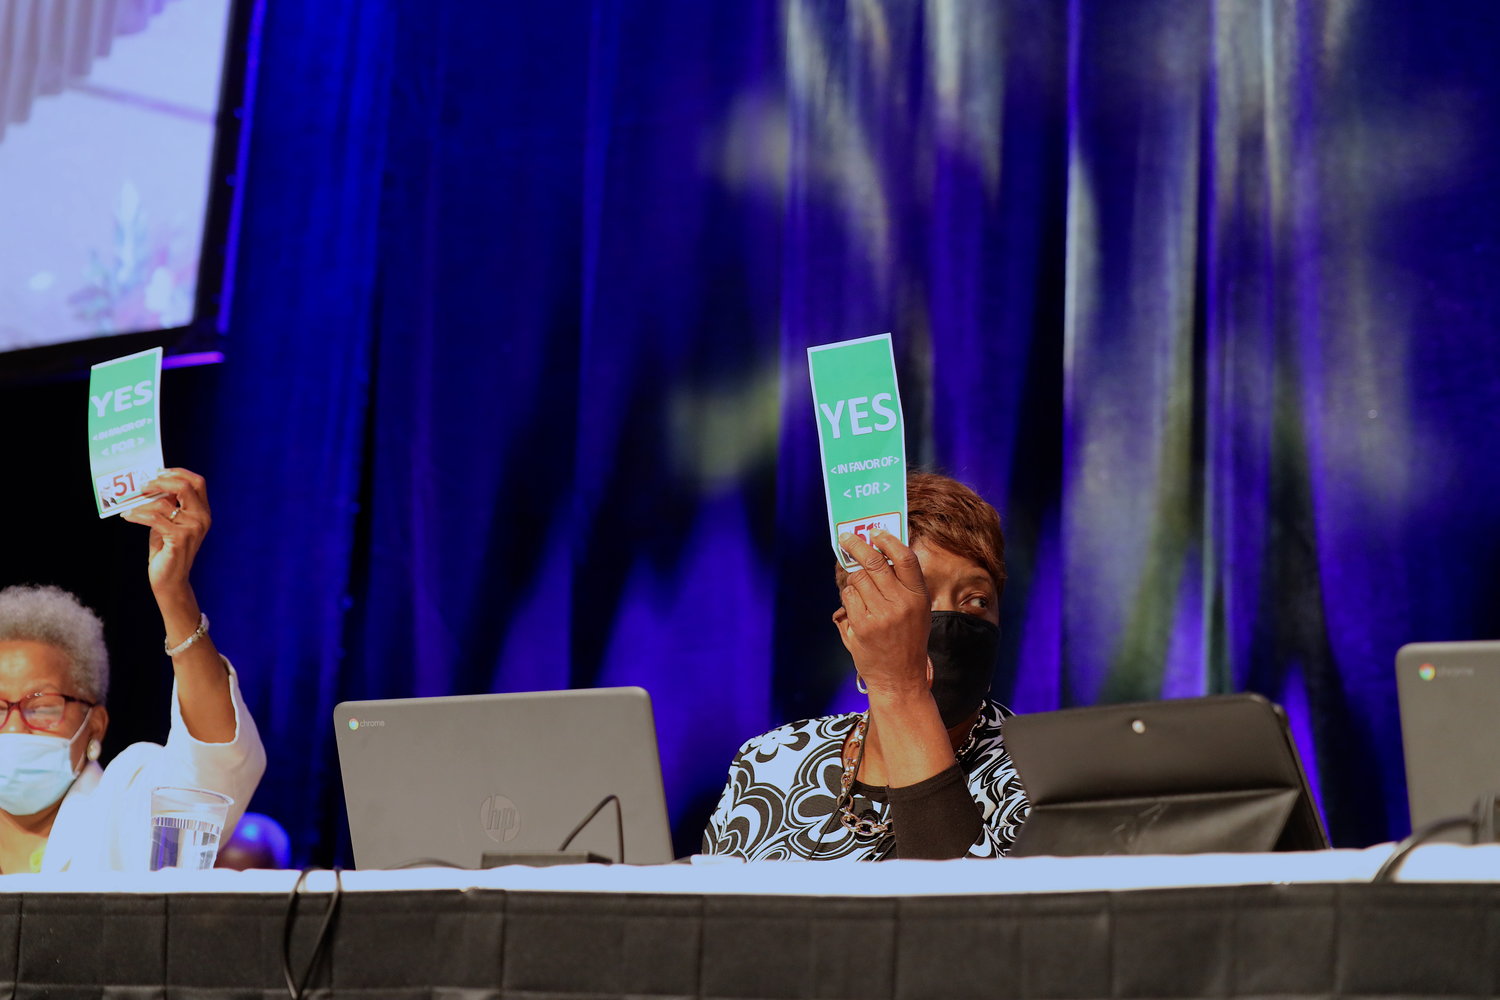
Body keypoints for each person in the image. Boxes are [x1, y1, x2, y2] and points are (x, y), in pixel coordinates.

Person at [702, 472, 1028, 860]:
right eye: (917, 596)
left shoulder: (1040, 774)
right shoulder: (770, 760)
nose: (949, 618)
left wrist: (901, 686)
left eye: (976, 600)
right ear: (850, 628)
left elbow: (962, 897)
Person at [0, 469, 265, 872]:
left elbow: (214, 765)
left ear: (95, 726)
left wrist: (174, 592)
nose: (15, 728)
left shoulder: (130, 806)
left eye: (43, 707)